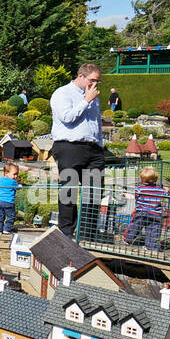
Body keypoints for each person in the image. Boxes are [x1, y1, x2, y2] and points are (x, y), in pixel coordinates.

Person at [50, 63, 107, 238]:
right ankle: (66, 231)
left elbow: (95, 123)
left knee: (94, 190)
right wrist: (86, 100)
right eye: (92, 80)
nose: (95, 85)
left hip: (93, 148)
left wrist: (100, 145)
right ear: (81, 76)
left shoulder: (92, 96)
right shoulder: (62, 93)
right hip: (69, 146)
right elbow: (67, 117)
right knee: (69, 189)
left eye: (97, 81)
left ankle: (88, 233)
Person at [123, 166, 166, 250]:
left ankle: (128, 239)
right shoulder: (160, 190)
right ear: (155, 179)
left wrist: (125, 194)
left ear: (142, 179)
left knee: (135, 226)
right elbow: (166, 194)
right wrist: (167, 190)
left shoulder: (139, 189)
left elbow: (133, 196)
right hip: (155, 213)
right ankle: (152, 247)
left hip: (142, 212)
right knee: (154, 230)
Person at [0, 162, 20, 234]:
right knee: (11, 217)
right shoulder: (12, 182)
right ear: (6, 173)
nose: (16, 176)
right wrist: (20, 185)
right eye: (14, 174)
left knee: (0, 217)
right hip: (8, 202)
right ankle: (6, 229)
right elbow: (18, 187)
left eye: (17, 174)